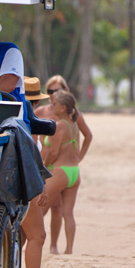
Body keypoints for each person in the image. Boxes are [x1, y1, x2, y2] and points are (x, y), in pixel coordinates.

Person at [34, 75, 94, 254]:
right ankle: (69, 250)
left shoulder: (60, 125)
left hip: (58, 170)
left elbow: (53, 152)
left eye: (57, 92)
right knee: (68, 213)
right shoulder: (72, 122)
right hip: (74, 171)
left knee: (39, 208)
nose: (53, 96)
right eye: (50, 91)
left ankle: (35, 242)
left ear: (63, 106)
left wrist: (43, 169)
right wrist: (78, 159)